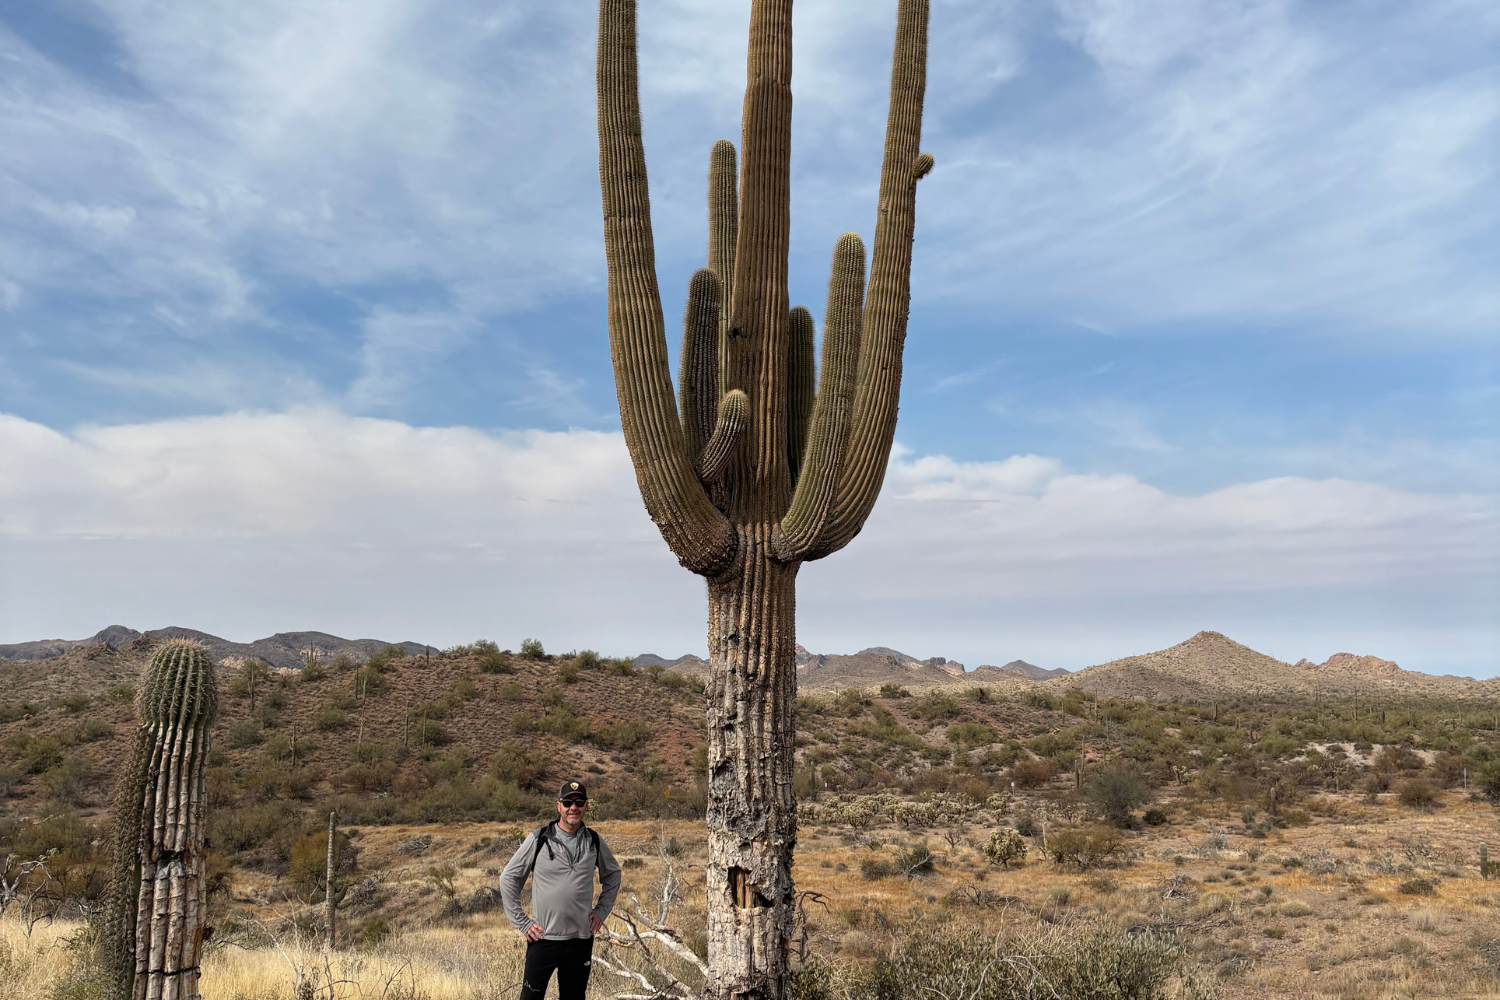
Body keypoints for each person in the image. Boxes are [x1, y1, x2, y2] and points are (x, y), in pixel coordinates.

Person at [499, 780, 622, 1000]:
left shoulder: (594, 841)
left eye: (579, 802)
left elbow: (613, 874)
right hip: (543, 938)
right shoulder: (539, 839)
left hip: (580, 940)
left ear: (586, 806)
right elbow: (508, 878)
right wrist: (523, 923)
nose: (573, 807)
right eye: (567, 803)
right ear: (558, 806)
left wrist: (601, 911)